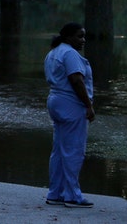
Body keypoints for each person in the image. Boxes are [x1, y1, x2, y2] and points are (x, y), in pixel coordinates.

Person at [44, 22, 95, 208]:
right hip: (71, 104)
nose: (83, 40)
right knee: (73, 150)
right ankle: (72, 195)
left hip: (56, 101)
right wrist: (88, 105)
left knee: (59, 149)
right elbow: (76, 80)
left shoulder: (54, 52)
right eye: (79, 36)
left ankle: (55, 192)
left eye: (84, 36)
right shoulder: (70, 54)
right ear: (68, 37)